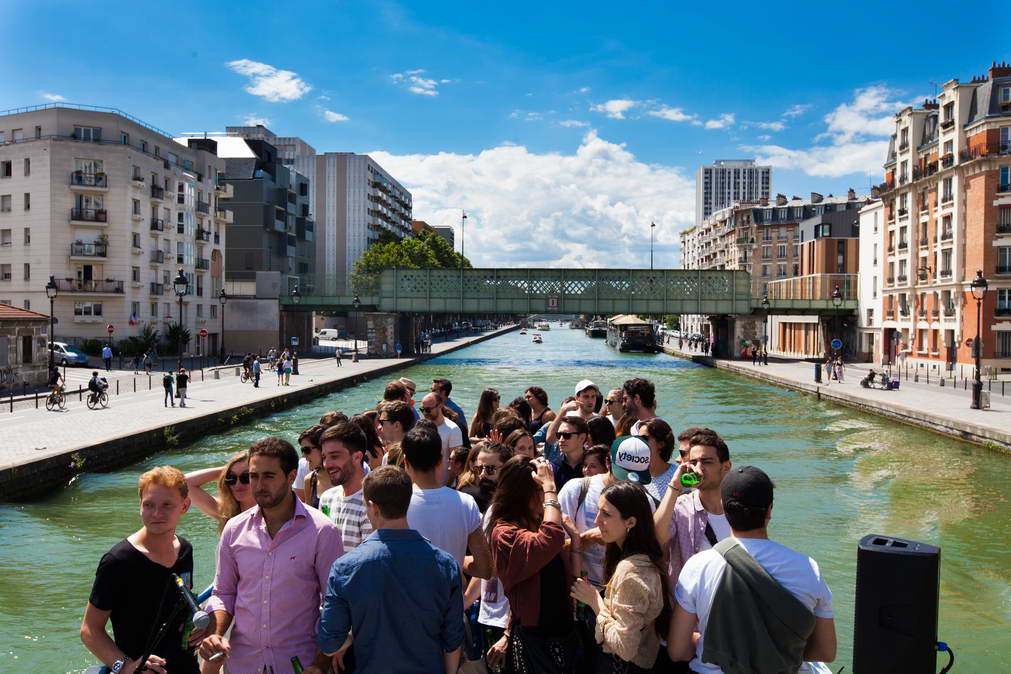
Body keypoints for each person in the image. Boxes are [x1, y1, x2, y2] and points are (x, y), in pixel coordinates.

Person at [669, 466, 837, 672]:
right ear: (769, 510)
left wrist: (705, 642)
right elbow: (825, 652)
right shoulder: (808, 568)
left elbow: (678, 651)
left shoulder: (698, 566)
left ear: (724, 506)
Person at [200, 437, 343, 672]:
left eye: (268, 476)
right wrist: (215, 634)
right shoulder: (234, 529)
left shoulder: (322, 531)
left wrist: (320, 663)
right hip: (243, 662)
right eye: (253, 476)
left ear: (290, 477)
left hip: (299, 663)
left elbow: (333, 603)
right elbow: (224, 592)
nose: (258, 485)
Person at [317, 466, 465, 673]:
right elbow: (453, 639)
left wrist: (351, 636)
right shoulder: (446, 564)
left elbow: (330, 643)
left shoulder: (345, 568)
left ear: (372, 507)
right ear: (407, 502)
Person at [81, 466, 205, 674]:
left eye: (167, 505)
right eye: (149, 505)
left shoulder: (185, 550)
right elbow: (90, 629)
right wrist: (125, 666)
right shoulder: (118, 561)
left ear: (185, 506)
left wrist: (201, 627)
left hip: (186, 667)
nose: (157, 513)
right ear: (140, 505)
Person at [487, 455, 581, 672]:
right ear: (523, 494)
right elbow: (548, 540)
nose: (544, 497)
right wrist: (551, 489)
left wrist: (576, 541)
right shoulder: (504, 534)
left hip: (564, 638)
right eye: (539, 490)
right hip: (535, 645)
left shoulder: (536, 524)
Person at [570, 481, 670, 673]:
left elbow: (625, 648)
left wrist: (595, 602)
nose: (597, 520)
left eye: (606, 514)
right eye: (599, 511)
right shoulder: (646, 555)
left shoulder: (630, 572)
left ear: (630, 522)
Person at [402, 422, 492, 579]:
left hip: (407, 600)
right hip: (450, 598)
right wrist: (454, 561)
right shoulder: (466, 503)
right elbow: (485, 569)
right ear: (439, 460)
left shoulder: (396, 504)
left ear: (406, 462)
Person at [655, 429, 732, 589]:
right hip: (688, 609)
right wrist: (674, 486)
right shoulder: (680, 507)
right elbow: (655, 540)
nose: (699, 468)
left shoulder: (740, 509)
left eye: (707, 462)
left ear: (726, 467)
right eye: (694, 462)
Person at [318, 421, 373, 551]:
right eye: (324, 457)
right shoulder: (326, 498)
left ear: (357, 457)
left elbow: (368, 559)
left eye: (334, 456)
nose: (327, 464)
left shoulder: (372, 503)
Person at [184, 452, 256, 532]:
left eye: (245, 477)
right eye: (231, 478)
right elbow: (185, 483)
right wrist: (226, 470)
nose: (237, 484)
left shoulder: (270, 512)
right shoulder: (226, 513)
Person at [419, 392, 463, 484]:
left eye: (428, 409)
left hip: (444, 484)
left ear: (440, 406)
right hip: (425, 483)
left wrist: (448, 484)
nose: (424, 413)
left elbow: (456, 463)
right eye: (422, 409)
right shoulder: (421, 426)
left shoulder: (452, 429)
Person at [458, 441, 511, 514]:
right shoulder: (471, 499)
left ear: (506, 468)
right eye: (479, 469)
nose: (482, 474)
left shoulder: (516, 494)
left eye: (490, 469)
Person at [637, 418, 679, 505]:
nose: (639, 442)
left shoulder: (677, 475)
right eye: (638, 439)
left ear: (661, 444)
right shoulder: (633, 475)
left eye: (644, 438)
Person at [546, 379, 600, 445]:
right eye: (586, 397)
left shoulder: (599, 420)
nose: (590, 401)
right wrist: (563, 410)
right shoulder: (568, 418)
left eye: (593, 396)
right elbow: (550, 440)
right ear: (577, 398)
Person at [298, 424, 331, 508]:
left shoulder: (344, 475)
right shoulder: (309, 480)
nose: (303, 456)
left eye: (306, 450)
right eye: (302, 451)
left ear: (322, 448)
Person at [432, 377, 470, 449]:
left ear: (443, 392)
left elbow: (464, 432)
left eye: (433, 390)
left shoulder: (456, 410)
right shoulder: (433, 406)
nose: (431, 393)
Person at [552, 415, 588, 490]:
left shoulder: (594, 465)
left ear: (582, 438)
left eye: (566, 435)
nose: (561, 440)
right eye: (558, 435)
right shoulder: (552, 467)